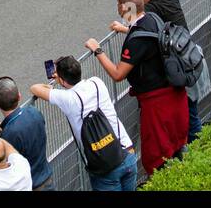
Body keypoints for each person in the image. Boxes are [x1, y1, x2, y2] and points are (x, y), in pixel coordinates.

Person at [85, 0, 187, 175]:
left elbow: (118, 74)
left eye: (118, 3)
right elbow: (146, 35)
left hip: (157, 103)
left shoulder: (136, 39)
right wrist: (124, 29)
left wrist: (97, 50)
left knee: (156, 158)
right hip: (175, 96)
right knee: (177, 147)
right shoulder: (152, 18)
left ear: (124, 7)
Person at [31, 55, 137, 191]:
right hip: (127, 151)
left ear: (63, 80)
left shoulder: (67, 98)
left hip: (105, 167)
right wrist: (62, 79)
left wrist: (58, 81)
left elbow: (35, 88)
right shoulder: (96, 82)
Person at [122, 0, 202, 141]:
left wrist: (123, 28)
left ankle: (194, 148)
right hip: (190, 56)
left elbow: (140, 26)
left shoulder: (151, 11)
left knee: (189, 115)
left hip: (178, 66)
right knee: (191, 110)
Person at [0, 76, 53, 190]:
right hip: (46, 178)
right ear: (19, 96)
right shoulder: (34, 112)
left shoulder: (9, 134)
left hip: (29, 186)